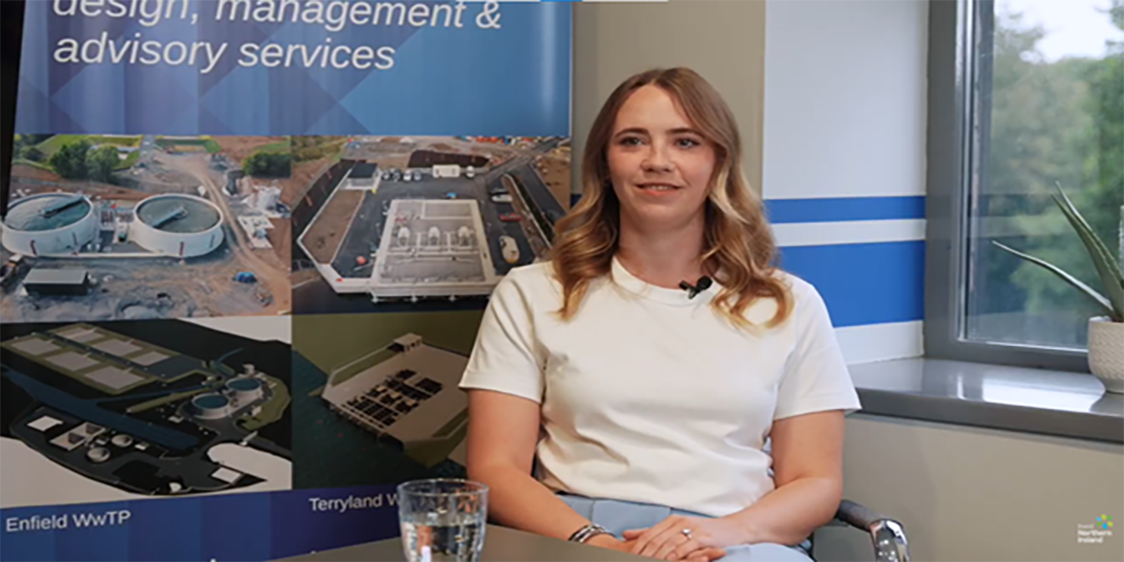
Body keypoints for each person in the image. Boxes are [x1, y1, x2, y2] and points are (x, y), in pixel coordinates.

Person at [458, 67, 862, 562]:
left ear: (719, 162)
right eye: (633, 141)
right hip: (576, 534)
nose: (658, 161)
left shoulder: (789, 305)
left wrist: (719, 535)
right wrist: (600, 546)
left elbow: (815, 481)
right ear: (606, 164)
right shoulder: (533, 293)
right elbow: (495, 469)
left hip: (736, 540)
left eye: (685, 142)